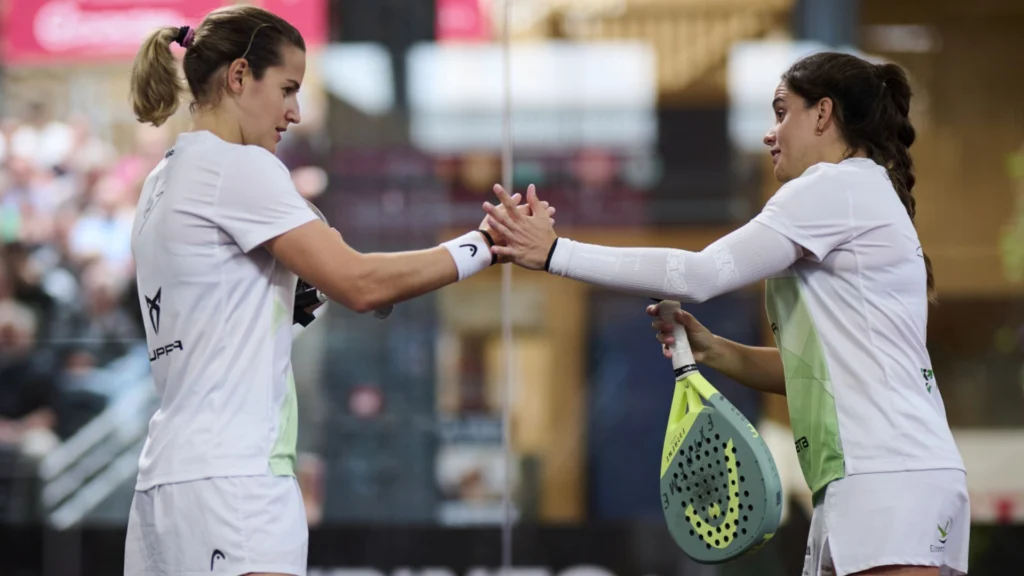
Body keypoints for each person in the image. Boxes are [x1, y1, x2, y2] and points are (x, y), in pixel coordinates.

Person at [483, 51, 967, 576]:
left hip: (888, 476)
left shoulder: (833, 187)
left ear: (823, 114)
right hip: (887, 474)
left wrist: (556, 253)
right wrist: (713, 349)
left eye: (782, 112)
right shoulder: (859, 192)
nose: (769, 134)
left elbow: (698, 275)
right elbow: (814, 373)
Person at [123, 7, 550, 576]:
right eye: (287, 89)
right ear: (239, 76)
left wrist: (300, 297)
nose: (296, 113)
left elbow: (227, 307)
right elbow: (360, 283)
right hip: (236, 483)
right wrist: (485, 245)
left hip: (163, 486)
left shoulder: (162, 180)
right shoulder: (240, 168)